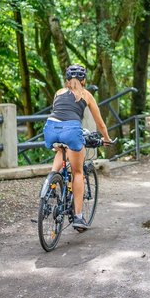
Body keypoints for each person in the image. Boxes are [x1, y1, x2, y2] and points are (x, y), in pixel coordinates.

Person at [43, 64, 113, 231]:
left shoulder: (58, 92)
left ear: (67, 80)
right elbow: (100, 123)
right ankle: (79, 217)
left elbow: (59, 112)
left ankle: (50, 183)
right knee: (78, 173)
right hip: (71, 130)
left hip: (50, 128)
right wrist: (106, 138)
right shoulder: (86, 94)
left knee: (61, 149)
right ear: (84, 80)